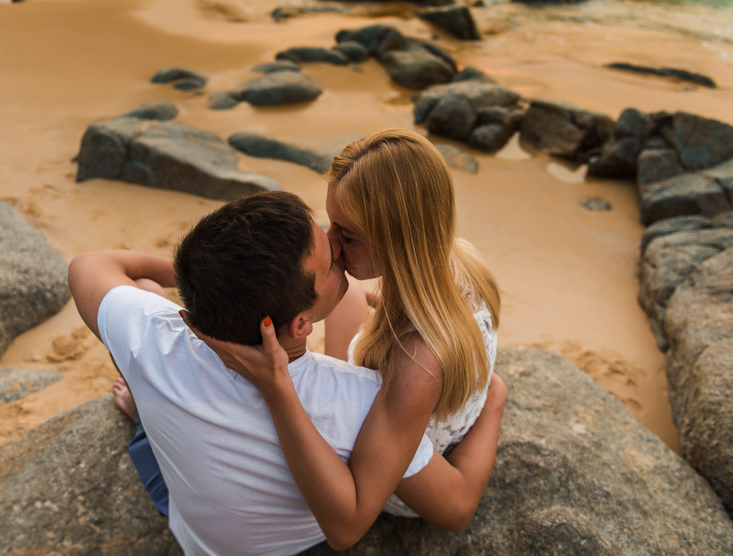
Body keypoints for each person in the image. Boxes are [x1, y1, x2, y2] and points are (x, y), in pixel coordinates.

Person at [68, 191, 505, 555]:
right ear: (299, 326)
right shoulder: (363, 403)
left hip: (192, 525)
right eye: (333, 262)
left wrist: (211, 290)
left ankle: (149, 410)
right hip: (280, 546)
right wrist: (496, 398)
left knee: (142, 293)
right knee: (351, 301)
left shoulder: (155, 336)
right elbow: (458, 507)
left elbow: (86, 264)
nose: (340, 249)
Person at [196, 129, 505, 548]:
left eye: (347, 233)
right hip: (408, 401)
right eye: (330, 221)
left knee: (277, 357)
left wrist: (494, 403)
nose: (329, 241)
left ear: (399, 242)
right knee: (330, 289)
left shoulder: (416, 363)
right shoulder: (458, 258)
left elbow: (457, 510)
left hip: (391, 466)